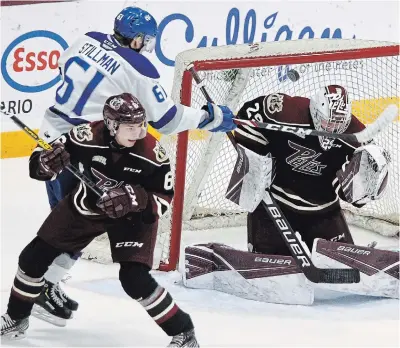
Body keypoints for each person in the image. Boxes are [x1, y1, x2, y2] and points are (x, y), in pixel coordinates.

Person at [37, 6, 236, 323]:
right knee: (82, 220)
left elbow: (65, 70)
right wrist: (208, 118)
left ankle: (44, 283)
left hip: (49, 139)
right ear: (137, 40)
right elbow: (168, 120)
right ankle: (42, 287)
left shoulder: (86, 39)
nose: (149, 45)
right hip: (83, 151)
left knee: (71, 219)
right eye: (148, 39)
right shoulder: (139, 68)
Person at [1, 93, 199, 347]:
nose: (139, 132)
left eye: (141, 126)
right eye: (131, 127)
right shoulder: (84, 136)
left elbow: (163, 199)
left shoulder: (152, 155)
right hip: (86, 205)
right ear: (111, 125)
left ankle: (184, 333)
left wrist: (132, 199)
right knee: (32, 258)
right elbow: (39, 161)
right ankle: (16, 320)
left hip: (132, 217)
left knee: (134, 279)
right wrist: (45, 163)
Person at [230, 85, 390, 256]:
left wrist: (359, 186)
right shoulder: (286, 111)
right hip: (275, 203)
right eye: (328, 122)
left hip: (323, 211)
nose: (333, 130)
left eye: (339, 124)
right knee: (268, 270)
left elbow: (357, 192)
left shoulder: (357, 135)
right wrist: (256, 162)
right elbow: (247, 116)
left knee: (343, 265)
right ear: (315, 112)